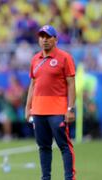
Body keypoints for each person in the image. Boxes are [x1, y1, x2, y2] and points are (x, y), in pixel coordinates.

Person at [25, 25, 76, 180]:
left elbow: (71, 84)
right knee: (43, 147)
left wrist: (70, 108)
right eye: (42, 37)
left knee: (64, 146)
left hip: (58, 110)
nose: (44, 40)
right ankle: (45, 177)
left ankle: (69, 177)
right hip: (38, 111)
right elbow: (33, 85)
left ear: (56, 39)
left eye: (48, 37)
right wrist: (28, 107)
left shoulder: (64, 57)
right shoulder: (35, 59)